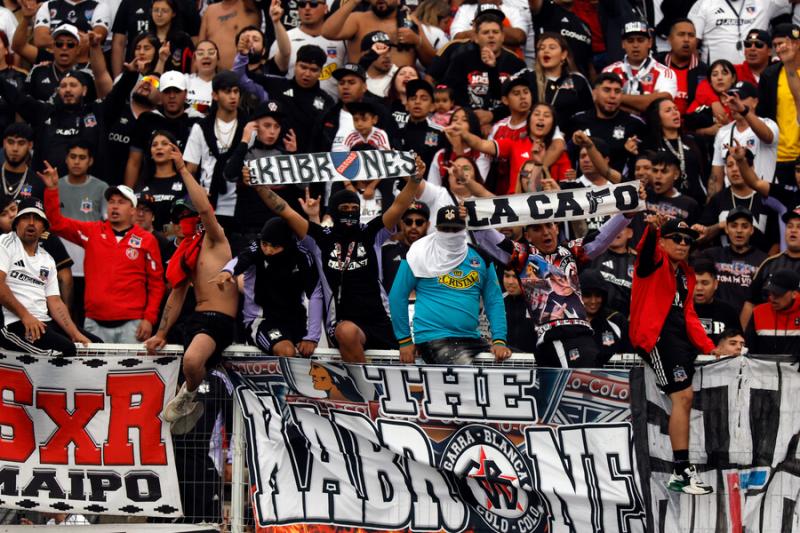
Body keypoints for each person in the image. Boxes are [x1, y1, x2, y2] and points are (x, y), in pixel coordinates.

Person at [247, 156, 426, 363]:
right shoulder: (320, 238)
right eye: (344, 210)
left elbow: (399, 205)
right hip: (341, 322)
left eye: (354, 209)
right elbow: (285, 211)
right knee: (346, 332)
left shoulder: (371, 233)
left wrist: (414, 180)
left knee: (413, 355)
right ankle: (368, 392)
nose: (350, 214)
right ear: (332, 211)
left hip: (379, 319)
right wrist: (259, 187)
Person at [473, 191, 642, 368]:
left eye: (548, 226)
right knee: (587, 382)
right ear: (528, 236)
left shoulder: (571, 251)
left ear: (556, 228)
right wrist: (472, 216)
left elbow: (601, 237)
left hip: (580, 335)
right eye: (537, 228)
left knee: (578, 389)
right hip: (554, 337)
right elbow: (493, 240)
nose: (545, 232)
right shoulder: (523, 255)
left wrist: (626, 213)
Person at [145, 143, 239, 434]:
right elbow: (176, 294)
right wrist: (161, 332)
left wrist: (183, 169)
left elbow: (204, 207)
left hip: (219, 320)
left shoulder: (214, 239)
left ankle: (188, 396)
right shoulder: (185, 253)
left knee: (192, 360)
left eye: (186, 216)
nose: (181, 222)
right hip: (195, 321)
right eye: (177, 219)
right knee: (185, 365)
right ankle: (189, 402)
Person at [629, 216, 717, 495]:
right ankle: (681, 471)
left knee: (686, 398)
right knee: (683, 397)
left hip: (679, 337)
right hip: (657, 336)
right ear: (663, 241)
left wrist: (709, 347)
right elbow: (645, 250)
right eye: (676, 239)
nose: (682, 244)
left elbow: (690, 316)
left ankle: (681, 472)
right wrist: (653, 228)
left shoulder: (685, 275)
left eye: (687, 241)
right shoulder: (652, 264)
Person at [41, 168, 165, 344]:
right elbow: (57, 224)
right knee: (94, 372)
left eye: (121, 202)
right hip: (93, 322)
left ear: (133, 210)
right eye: (111, 201)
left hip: (133, 325)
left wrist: (149, 318)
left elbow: (156, 283)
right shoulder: (92, 232)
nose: (114, 206)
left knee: (127, 372)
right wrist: (52, 190)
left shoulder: (147, 240)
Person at [389, 205, 510, 364]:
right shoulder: (418, 254)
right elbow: (397, 296)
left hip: (472, 339)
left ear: (464, 230)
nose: (451, 234)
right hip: (433, 338)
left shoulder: (481, 257)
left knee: (521, 363)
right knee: (465, 373)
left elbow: (494, 300)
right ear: (437, 229)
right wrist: (404, 340)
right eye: (446, 229)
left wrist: (499, 340)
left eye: (455, 229)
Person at [213, 217, 322, 357]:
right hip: (262, 321)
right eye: (265, 244)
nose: (268, 250)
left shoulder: (302, 256)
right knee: (286, 351)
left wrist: (312, 337)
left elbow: (315, 294)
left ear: (288, 244)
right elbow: (239, 260)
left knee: (310, 359)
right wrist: (227, 271)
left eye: (275, 246)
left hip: (296, 321)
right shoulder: (256, 248)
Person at [0, 198, 92, 356]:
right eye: (25, 217)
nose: (31, 223)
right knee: (66, 350)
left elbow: (55, 302)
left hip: (43, 322)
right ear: (16, 223)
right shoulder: (4, 243)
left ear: (44, 227)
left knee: (94, 344)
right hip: (11, 323)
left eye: (37, 219)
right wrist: (26, 316)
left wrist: (74, 333)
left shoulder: (47, 259)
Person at [236, 44, 334, 154]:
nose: (307, 74)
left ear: (321, 71)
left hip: (309, 163)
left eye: (313, 70)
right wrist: (242, 56)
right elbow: (239, 77)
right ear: (295, 65)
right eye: (303, 67)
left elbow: (327, 140)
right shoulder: (277, 84)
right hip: (273, 159)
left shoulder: (327, 101)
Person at [182, 70, 244, 232]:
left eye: (236, 91)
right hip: (209, 204)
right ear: (215, 95)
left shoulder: (248, 126)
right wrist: (197, 195)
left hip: (240, 204)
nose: (233, 96)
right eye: (227, 91)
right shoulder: (201, 127)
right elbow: (190, 170)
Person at [440, 9, 525, 125]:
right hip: (466, 121)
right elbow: (451, 94)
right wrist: (473, 117)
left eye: (495, 32)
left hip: (505, 123)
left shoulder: (516, 63)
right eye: (485, 33)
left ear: (503, 37)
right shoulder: (461, 60)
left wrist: (492, 116)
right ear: (476, 37)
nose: (491, 36)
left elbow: (520, 101)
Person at [55, 142, 107, 323]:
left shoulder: (101, 188)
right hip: (60, 263)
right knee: (64, 313)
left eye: (82, 157)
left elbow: (108, 226)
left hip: (90, 263)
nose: (77, 162)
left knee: (87, 315)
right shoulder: (55, 186)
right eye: (73, 157)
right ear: (66, 159)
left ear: (90, 161)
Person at [125, 71, 203, 187]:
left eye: (176, 91)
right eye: (167, 91)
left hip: (185, 190)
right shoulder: (147, 119)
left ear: (186, 94)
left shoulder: (198, 121)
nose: (172, 96)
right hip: (149, 187)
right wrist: (129, 196)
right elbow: (134, 162)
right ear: (160, 94)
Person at [710, 80, 778, 194]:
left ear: (755, 102)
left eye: (740, 98)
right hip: (734, 201)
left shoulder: (769, 124)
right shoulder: (722, 132)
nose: (735, 102)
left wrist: (743, 110)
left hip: (764, 200)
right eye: (732, 98)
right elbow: (716, 177)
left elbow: (767, 136)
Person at [569, 73, 646, 173]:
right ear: (594, 94)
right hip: (584, 186)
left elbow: (645, 162)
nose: (612, 96)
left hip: (619, 185)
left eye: (617, 91)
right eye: (607, 90)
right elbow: (567, 156)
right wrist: (572, 144)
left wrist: (632, 154)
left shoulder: (635, 124)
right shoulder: (577, 120)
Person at [320, 0, 434, 68]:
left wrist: (418, 41)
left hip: (399, 100)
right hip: (364, 97)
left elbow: (433, 63)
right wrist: (354, 1)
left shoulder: (411, 21)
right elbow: (327, 32)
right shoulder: (358, 19)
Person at [267, 0, 344, 99]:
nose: (307, 8)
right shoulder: (284, 38)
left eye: (313, 4)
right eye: (302, 4)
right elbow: (273, 77)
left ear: (326, 8)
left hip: (330, 108)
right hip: (292, 105)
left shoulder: (340, 40)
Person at [696, 206, 767, 310]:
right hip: (717, 320)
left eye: (744, 226)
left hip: (749, 322)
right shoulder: (711, 255)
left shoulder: (763, 260)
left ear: (751, 230)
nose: (739, 230)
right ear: (727, 229)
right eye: (734, 226)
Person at [756, 24, 800, 189]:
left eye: (783, 43)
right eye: (775, 46)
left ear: (797, 43)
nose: (779, 49)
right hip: (778, 157)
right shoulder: (770, 74)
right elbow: (763, 115)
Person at [741, 207, 800, 327]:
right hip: (769, 333)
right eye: (789, 226)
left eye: (799, 227)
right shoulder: (769, 263)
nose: (793, 231)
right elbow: (750, 303)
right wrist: (744, 339)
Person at [603, 21, 678, 115]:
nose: (635, 45)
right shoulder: (609, 71)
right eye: (630, 40)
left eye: (640, 40)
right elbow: (602, 103)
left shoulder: (665, 72)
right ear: (623, 44)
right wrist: (646, 101)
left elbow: (661, 104)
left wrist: (615, 98)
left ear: (650, 43)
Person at [688, 0, 788, 64]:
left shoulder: (765, 2)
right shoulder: (703, 3)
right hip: (716, 77)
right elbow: (691, 43)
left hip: (755, 77)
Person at [579, 268, 631, 366]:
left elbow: (632, 358)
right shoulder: (570, 323)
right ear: (578, 295)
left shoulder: (617, 320)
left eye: (598, 295)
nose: (593, 301)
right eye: (587, 295)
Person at [655, 19, 707, 116]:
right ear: (670, 39)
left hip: (693, 127)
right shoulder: (655, 64)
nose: (686, 39)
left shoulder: (705, 71)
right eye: (681, 34)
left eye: (691, 35)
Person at [745, 269, 800, 356]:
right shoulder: (758, 312)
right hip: (762, 368)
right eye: (770, 292)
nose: (772, 298)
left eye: (778, 294)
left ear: (794, 294)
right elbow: (748, 350)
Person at [529, 0, 592, 74]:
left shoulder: (584, 26)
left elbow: (590, 65)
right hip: (547, 79)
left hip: (578, 81)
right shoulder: (546, 9)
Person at [398, 79, 446, 171]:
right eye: (413, 98)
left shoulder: (440, 132)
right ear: (406, 105)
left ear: (432, 106)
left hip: (430, 183)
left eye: (424, 99)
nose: (417, 102)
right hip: (402, 184)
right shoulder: (397, 132)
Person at [197, 0, 260, 69]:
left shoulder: (249, 6)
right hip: (214, 76)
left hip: (244, 75)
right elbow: (199, 50)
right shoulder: (209, 11)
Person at [381, 201, 429, 291]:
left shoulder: (435, 252)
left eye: (419, 222)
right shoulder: (386, 252)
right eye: (408, 222)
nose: (413, 226)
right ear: (401, 224)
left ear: (428, 224)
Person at [589, 225, 636, 317]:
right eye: (612, 226)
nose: (615, 231)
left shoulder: (638, 263)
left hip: (622, 323)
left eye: (620, 226)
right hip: (592, 319)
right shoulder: (591, 255)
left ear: (630, 233)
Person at [691, 260, 741, 343]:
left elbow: (738, 344)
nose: (699, 288)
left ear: (715, 284)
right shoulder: (678, 311)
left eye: (705, 283)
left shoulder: (728, 312)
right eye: (694, 282)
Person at [645, 151, 700, 225]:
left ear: (676, 174)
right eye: (655, 171)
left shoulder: (689, 204)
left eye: (664, 172)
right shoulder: (644, 196)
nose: (658, 176)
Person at [502, 267, 536, 352]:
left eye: (516, 277)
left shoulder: (541, 302)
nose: (510, 282)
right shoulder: (497, 302)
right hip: (503, 362)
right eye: (507, 276)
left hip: (535, 362)